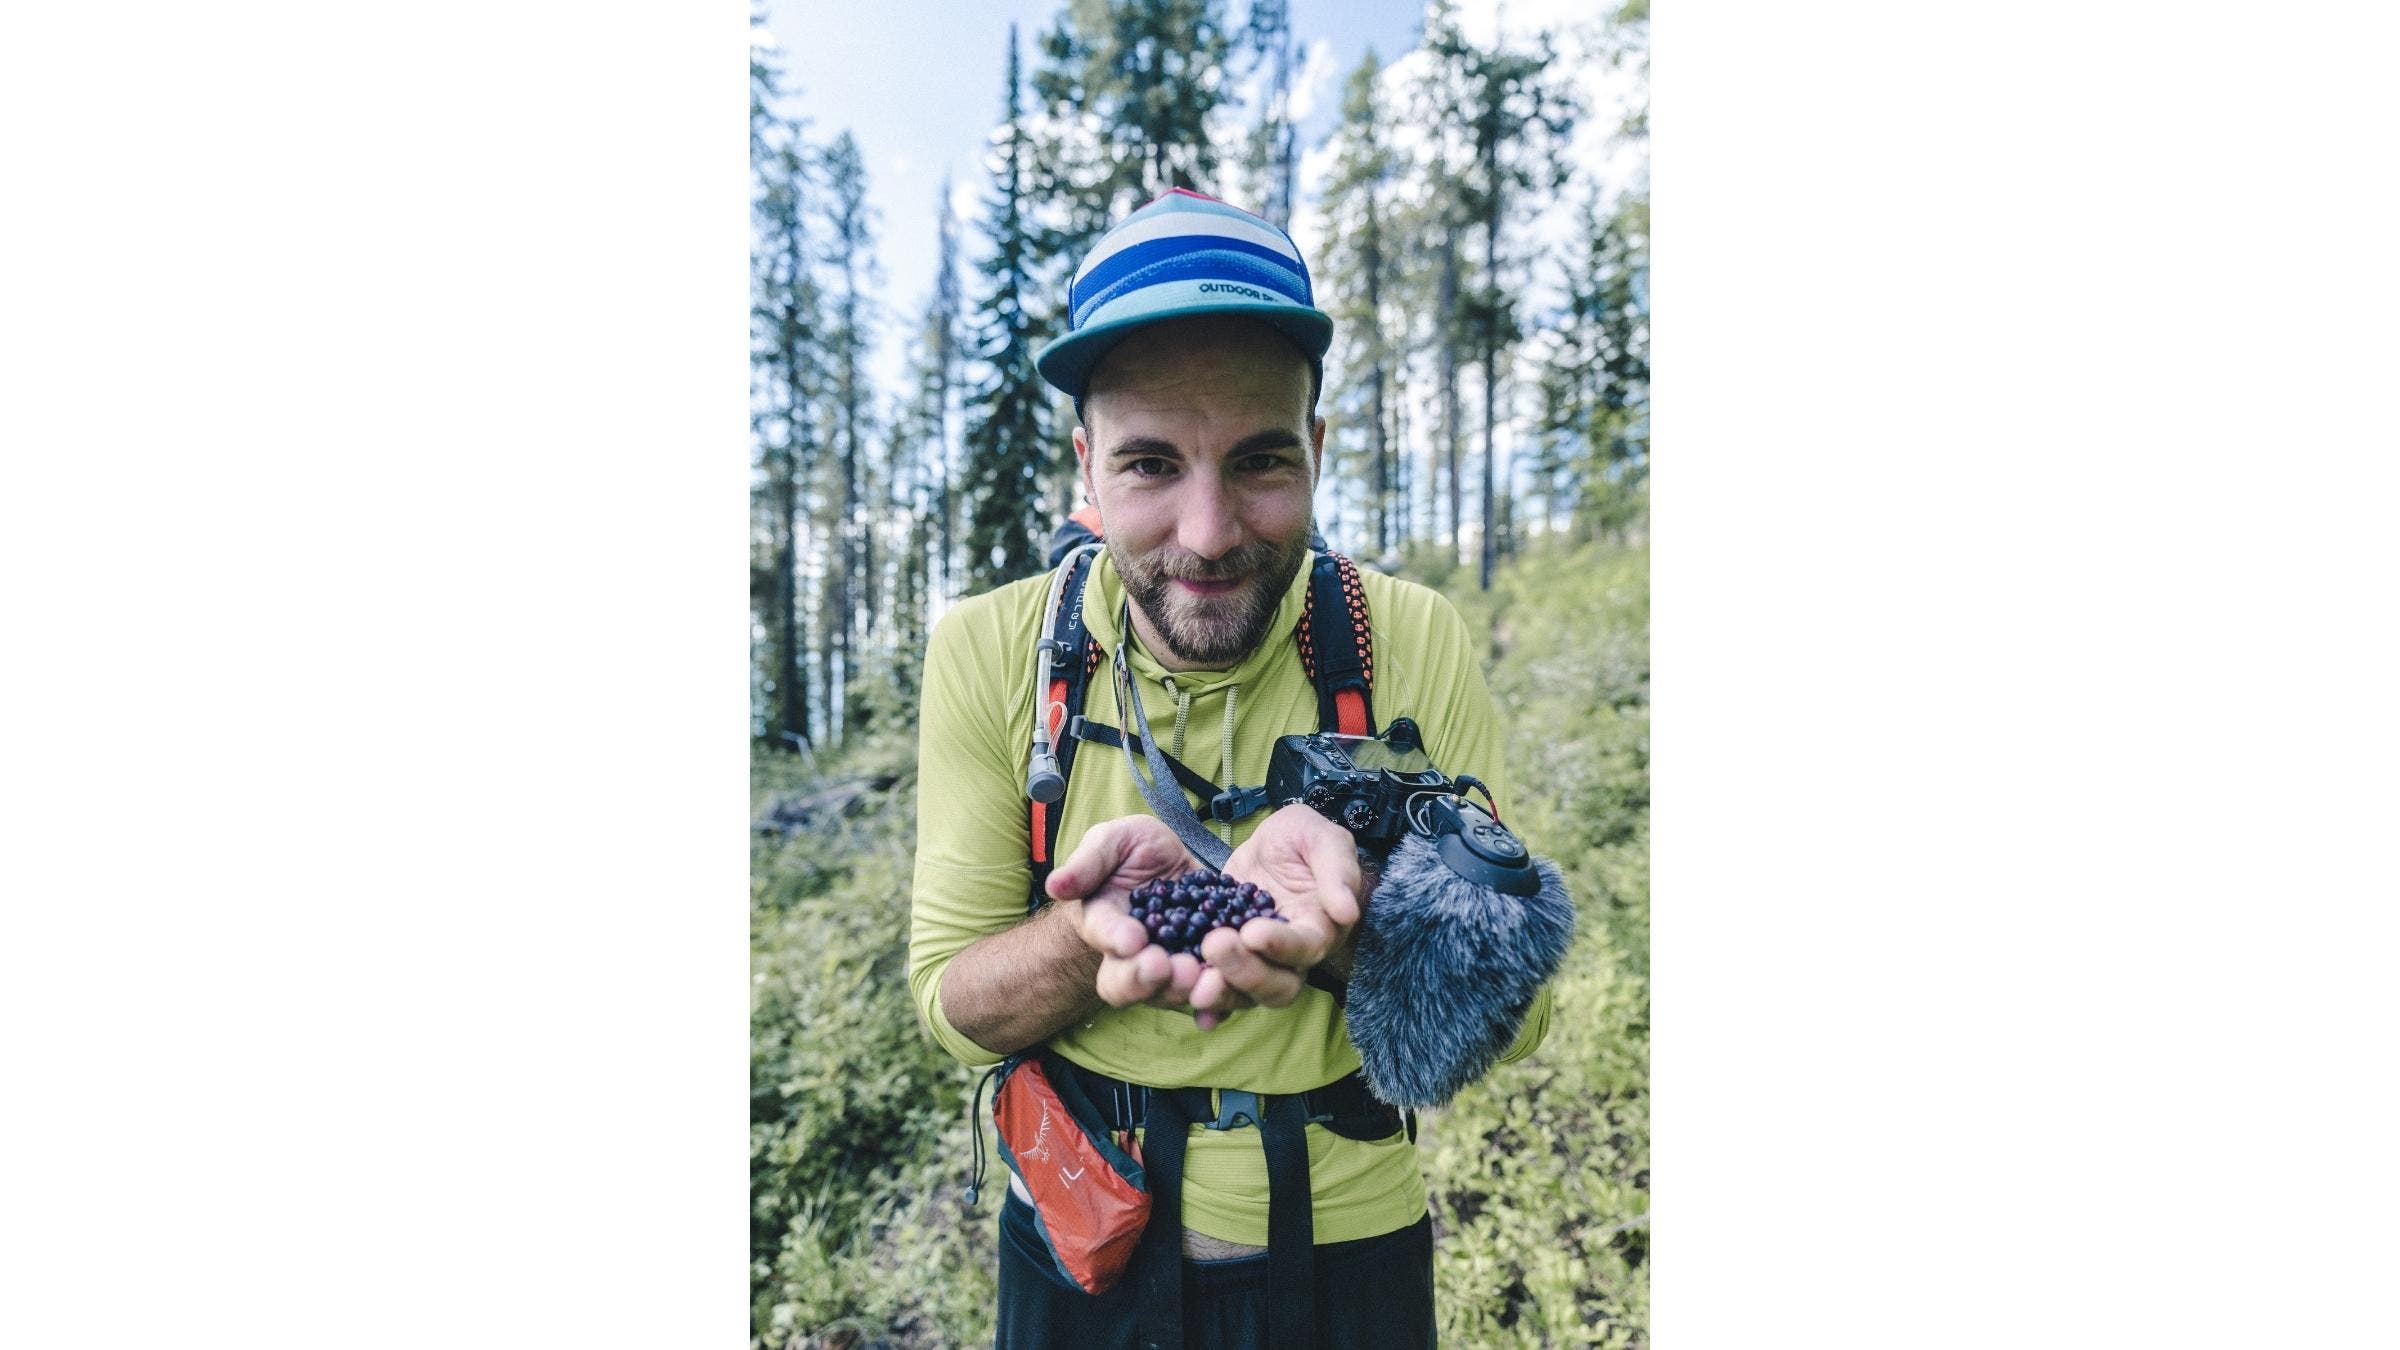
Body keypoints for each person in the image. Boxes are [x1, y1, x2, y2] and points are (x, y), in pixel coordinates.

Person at [908, 188, 1554, 1350]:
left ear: (1313, 448)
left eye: (1258, 460)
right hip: (1078, 1232)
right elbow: (950, 1003)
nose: (1208, 532)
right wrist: (1084, 931)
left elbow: (1521, 1017)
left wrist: (1347, 936)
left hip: (1350, 1247)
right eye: (1151, 465)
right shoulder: (991, 648)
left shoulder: (1407, 638)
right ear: (1086, 474)